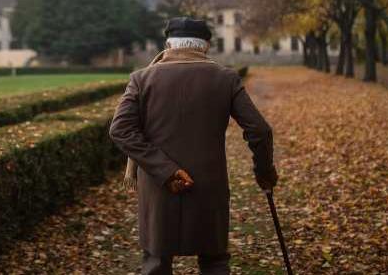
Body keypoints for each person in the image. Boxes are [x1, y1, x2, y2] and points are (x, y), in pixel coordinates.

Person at [109, 17, 278, 275]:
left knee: (156, 261)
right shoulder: (225, 78)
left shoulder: (142, 78)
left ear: (167, 44)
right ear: (206, 46)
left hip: (157, 186)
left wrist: (165, 171)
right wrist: (264, 172)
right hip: (209, 186)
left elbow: (120, 130)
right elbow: (260, 130)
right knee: (214, 262)